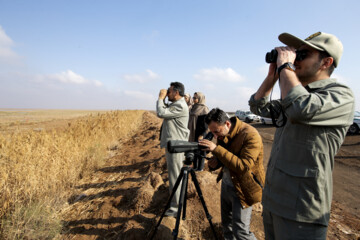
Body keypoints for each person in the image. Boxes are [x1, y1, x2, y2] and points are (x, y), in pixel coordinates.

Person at [249, 32, 355, 239]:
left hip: (301, 212)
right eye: (294, 54)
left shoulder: (341, 95)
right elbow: (257, 106)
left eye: (302, 54)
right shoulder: (295, 93)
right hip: (273, 202)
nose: (294, 58)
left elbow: (301, 109)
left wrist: (286, 69)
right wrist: (272, 77)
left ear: (326, 62)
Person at [199, 108, 265, 240]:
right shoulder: (223, 133)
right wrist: (216, 162)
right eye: (212, 132)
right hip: (227, 184)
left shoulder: (250, 135)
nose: (215, 136)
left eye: (216, 132)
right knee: (227, 227)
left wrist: (216, 149)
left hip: (243, 188)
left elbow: (243, 166)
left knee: (241, 231)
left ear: (227, 124)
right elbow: (226, 157)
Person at [156, 82, 190, 217]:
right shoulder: (176, 104)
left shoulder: (180, 105)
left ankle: (176, 208)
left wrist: (160, 98)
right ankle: (175, 204)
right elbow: (164, 111)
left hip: (176, 146)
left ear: (176, 92)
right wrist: (163, 99)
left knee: (175, 177)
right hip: (174, 145)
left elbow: (161, 112)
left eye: (169, 91)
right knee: (173, 175)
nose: (167, 94)